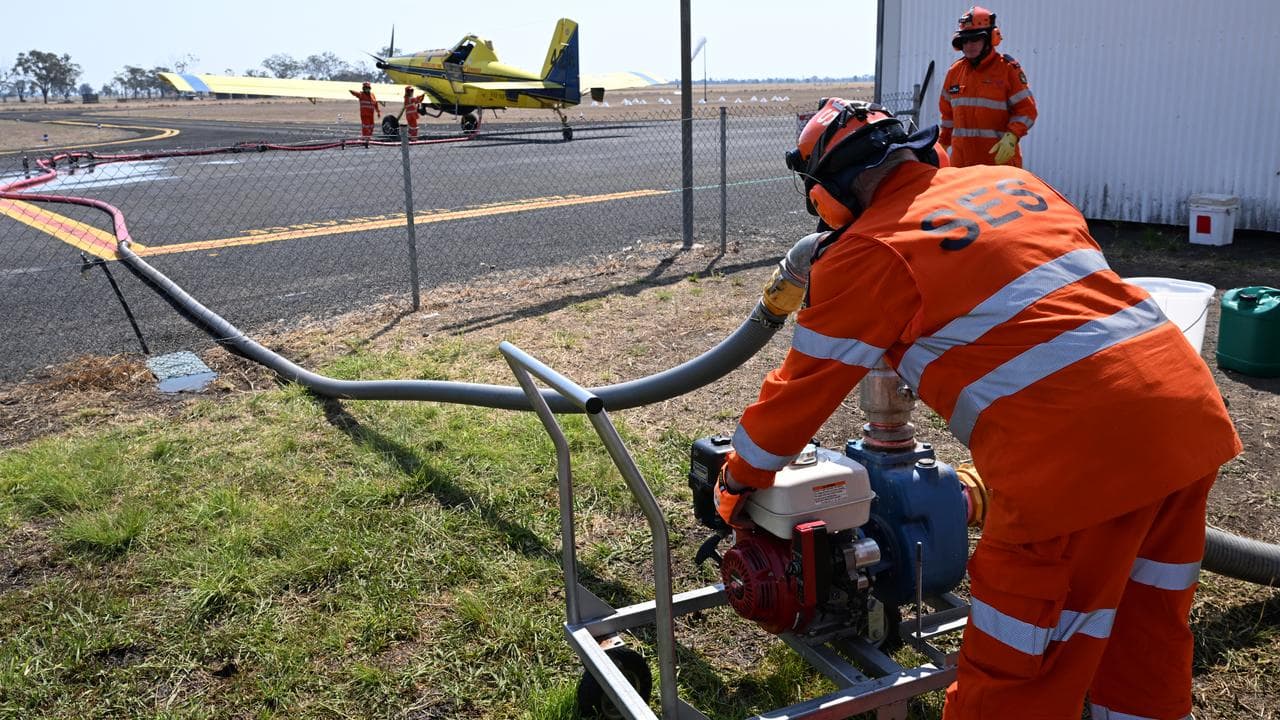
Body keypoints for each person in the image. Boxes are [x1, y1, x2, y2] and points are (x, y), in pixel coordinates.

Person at [716, 97, 1241, 719]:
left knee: (1017, 661)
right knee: (1145, 622)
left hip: (1075, 465)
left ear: (827, 189)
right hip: (1185, 414)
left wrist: (738, 481)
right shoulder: (1014, 183)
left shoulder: (870, 250)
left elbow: (797, 395)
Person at [938, 6, 1037, 168]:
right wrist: (942, 144)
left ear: (991, 38)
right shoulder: (954, 72)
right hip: (962, 166)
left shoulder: (1007, 69)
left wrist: (1012, 136)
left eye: (975, 39)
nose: (969, 45)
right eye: (965, 40)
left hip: (997, 164)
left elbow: (1027, 110)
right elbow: (948, 116)